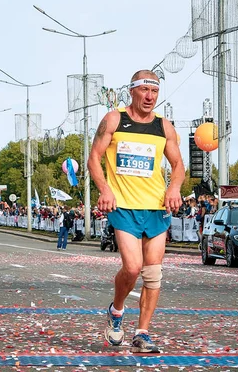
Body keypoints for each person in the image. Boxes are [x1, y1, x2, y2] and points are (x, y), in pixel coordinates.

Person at [87, 70, 185, 353]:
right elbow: (94, 157)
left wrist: (174, 188)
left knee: (153, 274)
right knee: (132, 267)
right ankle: (116, 312)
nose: (150, 97)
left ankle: (142, 333)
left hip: (156, 207)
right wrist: (105, 189)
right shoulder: (115, 119)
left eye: (154, 92)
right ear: (132, 91)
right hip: (124, 206)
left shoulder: (164, 126)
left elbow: (178, 165)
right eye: (145, 91)